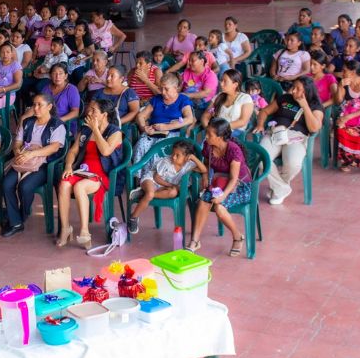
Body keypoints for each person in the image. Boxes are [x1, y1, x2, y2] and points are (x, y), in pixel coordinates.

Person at [56, 99, 124, 249]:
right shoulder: (85, 130)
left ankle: (85, 232)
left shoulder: (115, 132)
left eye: (94, 110)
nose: (89, 112)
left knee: (79, 187)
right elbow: (73, 151)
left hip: (103, 174)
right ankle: (65, 228)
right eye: (90, 109)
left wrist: (96, 130)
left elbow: (105, 151)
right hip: (84, 171)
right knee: (64, 183)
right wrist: (68, 166)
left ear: (104, 115)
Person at [0, 93, 67, 238]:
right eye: (34, 104)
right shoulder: (27, 122)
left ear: (49, 107)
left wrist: (31, 154)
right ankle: (16, 223)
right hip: (24, 162)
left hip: (44, 165)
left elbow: (54, 147)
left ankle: (21, 215)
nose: (35, 108)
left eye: (39, 105)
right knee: (6, 184)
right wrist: (18, 152)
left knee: (25, 187)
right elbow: (17, 142)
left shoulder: (57, 125)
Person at [253, 76, 324, 205]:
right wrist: (260, 124)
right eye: (293, 87)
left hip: (296, 137)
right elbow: (264, 111)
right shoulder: (285, 98)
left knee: (293, 163)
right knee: (261, 157)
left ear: (307, 91)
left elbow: (314, 128)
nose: (293, 91)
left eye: (298, 88)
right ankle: (282, 188)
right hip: (276, 133)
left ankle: (278, 186)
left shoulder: (315, 106)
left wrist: (304, 106)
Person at [187, 119, 253, 256]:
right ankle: (195, 241)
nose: (206, 136)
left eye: (210, 134)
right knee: (203, 201)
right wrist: (205, 175)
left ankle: (238, 236)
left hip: (240, 185)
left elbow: (234, 178)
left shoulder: (233, 150)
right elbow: (207, 163)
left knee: (219, 207)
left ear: (220, 136)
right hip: (219, 183)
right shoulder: (208, 145)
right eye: (206, 133)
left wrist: (222, 196)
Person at [127, 139, 205, 235]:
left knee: (173, 193)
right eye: (173, 153)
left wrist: (194, 158)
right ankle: (133, 217)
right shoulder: (166, 162)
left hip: (163, 186)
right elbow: (156, 178)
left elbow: (204, 170)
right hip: (151, 180)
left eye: (177, 155)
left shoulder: (189, 165)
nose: (173, 157)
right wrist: (172, 185)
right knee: (150, 194)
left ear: (186, 158)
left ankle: (143, 194)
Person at [133, 73, 195, 169]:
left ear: (175, 88)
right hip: (154, 132)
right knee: (140, 145)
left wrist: (167, 127)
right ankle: (138, 175)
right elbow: (141, 115)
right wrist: (144, 127)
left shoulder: (183, 100)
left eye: (166, 89)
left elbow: (189, 118)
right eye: (161, 88)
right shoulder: (157, 99)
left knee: (157, 149)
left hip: (173, 134)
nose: (163, 92)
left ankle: (154, 176)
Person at [201, 69, 253, 138]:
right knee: (209, 139)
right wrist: (209, 129)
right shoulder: (218, 97)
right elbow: (205, 116)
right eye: (221, 80)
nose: (221, 84)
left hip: (236, 131)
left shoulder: (245, 98)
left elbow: (242, 121)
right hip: (216, 131)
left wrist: (219, 129)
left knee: (218, 140)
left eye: (225, 81)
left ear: (235, 84)